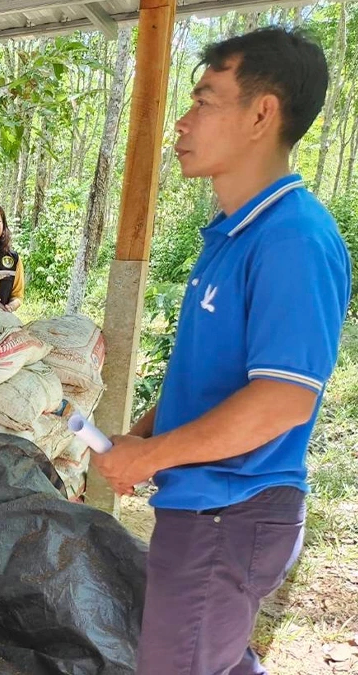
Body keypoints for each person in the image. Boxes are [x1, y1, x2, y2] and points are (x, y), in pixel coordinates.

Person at [90, 28, 350, 675]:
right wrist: (142, 439)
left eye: (204, 100)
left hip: (230, 513)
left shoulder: (292, 237)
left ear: (262, 114)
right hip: (206, 508)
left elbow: (283, 400)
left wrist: (151, 455)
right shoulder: (231, 236)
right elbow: (203, 380)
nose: (182, 122)